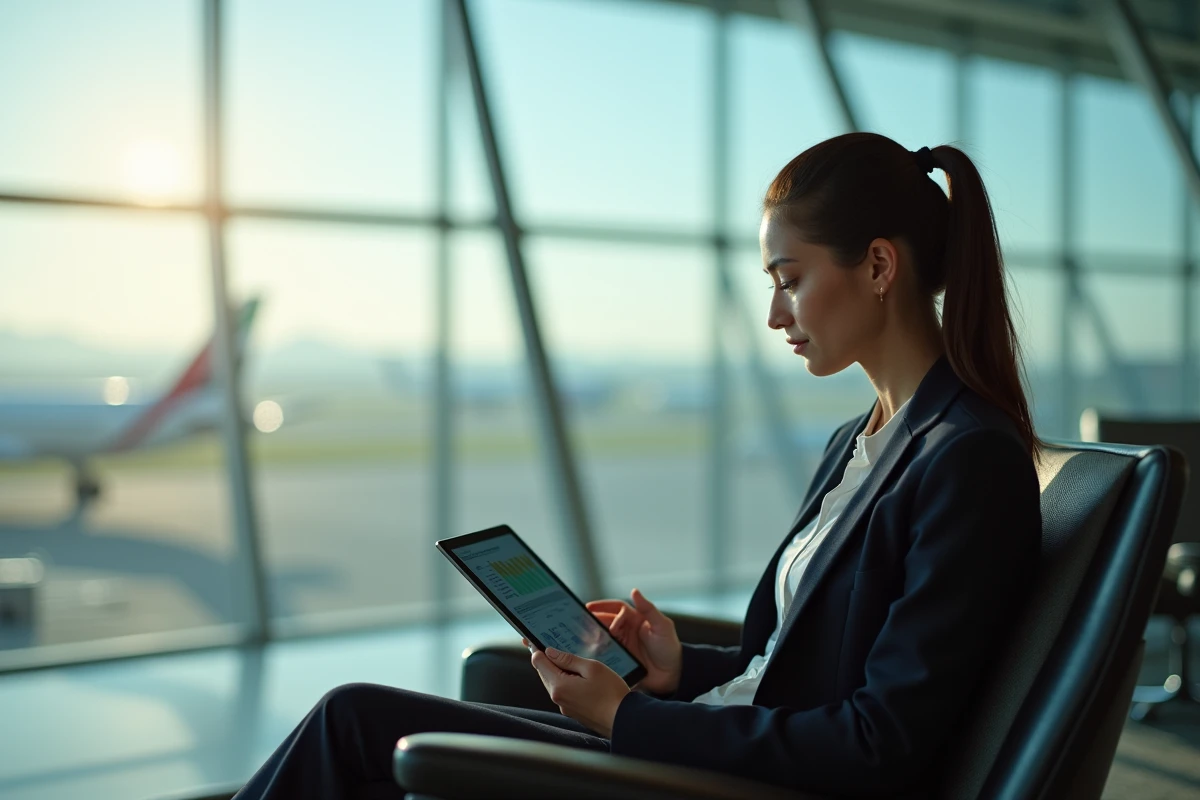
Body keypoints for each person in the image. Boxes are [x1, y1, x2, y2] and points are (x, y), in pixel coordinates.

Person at [232, 131, 1042, 799]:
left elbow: (879, 745)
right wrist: (676, 667)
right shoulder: (864, 441)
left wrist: (627, 721)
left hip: (739, 784)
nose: (774, 315)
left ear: (876, 267)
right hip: (718, 750)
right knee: (375, 733)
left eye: (790, 281)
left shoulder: (965, 459)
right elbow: (790, 668)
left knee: (353, 723)